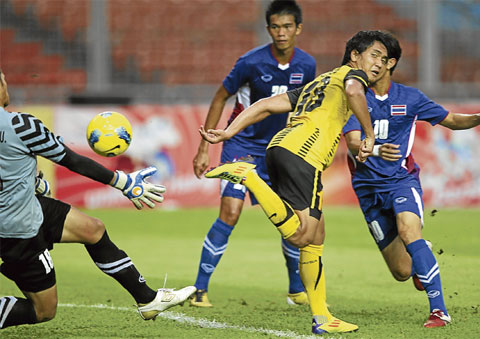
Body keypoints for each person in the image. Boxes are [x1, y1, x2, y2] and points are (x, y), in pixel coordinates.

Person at [198, 30, 396, 334]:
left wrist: (228, 133)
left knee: (316, 236)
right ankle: (247, 176)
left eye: (384, 60)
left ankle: (322, 318)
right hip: (305, 154)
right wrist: (370, 134)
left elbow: (265, 105)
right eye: (374, 55)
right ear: (355, 55)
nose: (380, 65)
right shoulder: (352, 77)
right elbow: (356, 92)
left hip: (282, 147)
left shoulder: (321, 82)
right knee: (301, 236)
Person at [0, 70, 196, 330]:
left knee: (92, 229)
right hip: (19, 227)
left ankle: (148, 300)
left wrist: (28, 182)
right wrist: (122, 182)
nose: (7, 83)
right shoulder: (20, 125)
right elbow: (71, 159)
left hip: (27, 207)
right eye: (3, 79)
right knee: (43, 310)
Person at [341, 31, 480, 328]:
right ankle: (420, 254)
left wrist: (479, 117)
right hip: (367, 191)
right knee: (401, 271)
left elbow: (451, 120)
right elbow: (352, 142)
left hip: (401, 181)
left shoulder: (411, 98)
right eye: (370, 56)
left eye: (380, 58)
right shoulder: (353, 97)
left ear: (391, 63)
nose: (374, 63)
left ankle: (439, 310)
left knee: (408, 229)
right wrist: (375, 148)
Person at [191, 0, 316, 307]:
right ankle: (199, 289)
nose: (281, 33)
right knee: (230, 212)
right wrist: (204, 147)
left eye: (287, 26)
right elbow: (221, 97)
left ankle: (295, 288)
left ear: (298, 28)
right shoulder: (250, 62)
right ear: (267, 28)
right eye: (275, 26)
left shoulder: (308, 65)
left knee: (291, 220)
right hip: (241, 146)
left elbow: (307, 107)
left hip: (279, 150)